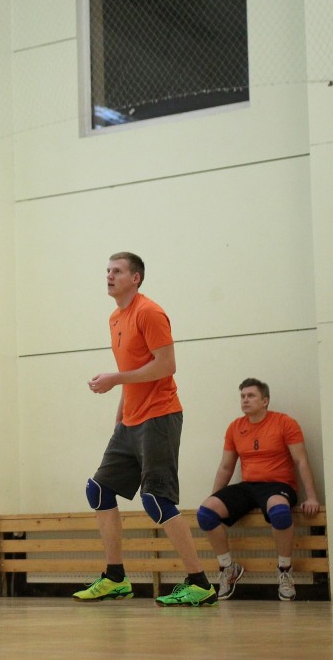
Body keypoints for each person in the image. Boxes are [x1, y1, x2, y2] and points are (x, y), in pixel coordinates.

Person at [75, 252, 217, 607]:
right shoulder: (115, 318)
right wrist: (121, 415)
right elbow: (133, 371)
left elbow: (166, 365)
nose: (109, 276)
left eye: (117, 271)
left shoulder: (149, 312)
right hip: (131, 421)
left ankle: (200, 583)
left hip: (160, 416)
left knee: (156, 499)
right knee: (99, 490)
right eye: (107, 270)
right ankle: (115, 578)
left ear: (135, 278)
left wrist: (115, 379)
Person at [197, 378, 321, 601]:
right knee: (206, 513)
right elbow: (226, 467)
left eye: (251, 395)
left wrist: (312, 497)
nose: (245, 400)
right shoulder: (235, 427)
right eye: (242, 396)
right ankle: (228, 568)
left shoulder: (285, 423)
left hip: (278, 485)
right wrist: (215, 496)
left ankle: (284, 571)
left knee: (280, 512)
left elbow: (301, 460)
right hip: (249, 486)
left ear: (265, 401)